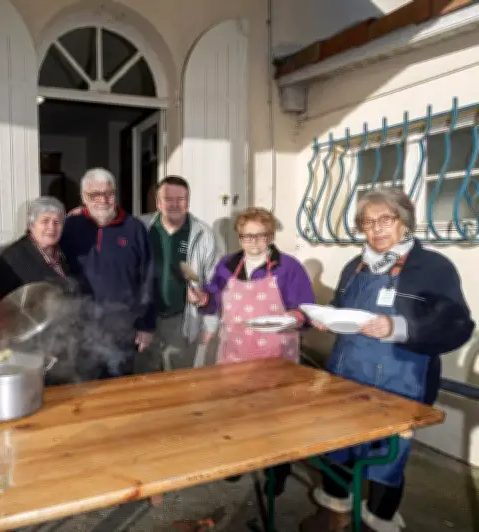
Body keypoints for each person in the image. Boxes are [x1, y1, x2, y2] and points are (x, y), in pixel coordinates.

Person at [300, 188, 474, 532]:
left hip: (400, 379)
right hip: (346, 373)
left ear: (404, 221)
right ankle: (335, 513)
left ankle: (376, 522)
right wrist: (327, 315)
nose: (376, 229)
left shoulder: (432, 266)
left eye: (385, 220)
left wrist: (400, 326)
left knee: (386, 458)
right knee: (338, 445)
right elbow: (342, 304)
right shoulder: (356, 264)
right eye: (367, 222)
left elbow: (457, 324)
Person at [189, 206, 315, 498]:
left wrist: (293, 317)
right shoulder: (226, 265)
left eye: (260, 236)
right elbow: (212, 299)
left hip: (275, 355)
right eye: (247, 237)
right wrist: (201, 297)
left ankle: (277, 471)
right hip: (234, 353)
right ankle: (238, 460)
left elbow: (306, 309)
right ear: (239, 237)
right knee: (234, 412)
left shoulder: (289, 267)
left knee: (275, 417)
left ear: (271, 236)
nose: (253, 242)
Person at [60, 168, 157, 379]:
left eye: (109, 193)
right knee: (81, 388)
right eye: (95, 194)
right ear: (84, 197)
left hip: (122, 328)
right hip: (79, 328)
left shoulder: (134, 228)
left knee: (119, 389)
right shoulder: (69, 227)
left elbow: (148, 278)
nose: (103, 199)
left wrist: (147, 325)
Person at [137, 175, 220, 373]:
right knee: (142, 383)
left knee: (179, 383)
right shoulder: (140, 228)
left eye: (180, 199)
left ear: (188, 202)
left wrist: (210, 324)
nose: (174, 204)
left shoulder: (203, 234)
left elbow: (213, 281)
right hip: (143, 320)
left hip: (182, 320)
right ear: (158, 202)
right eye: (168, 199)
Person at [0, 196, 72, 299]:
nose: (51, 227)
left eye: (57, 222)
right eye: (45, 221)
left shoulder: (63, 252)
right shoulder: (13, 258)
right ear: (31, 225)